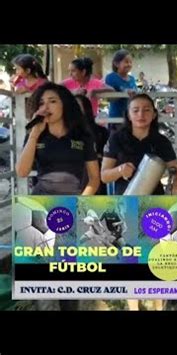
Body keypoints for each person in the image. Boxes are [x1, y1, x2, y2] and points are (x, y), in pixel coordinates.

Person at [15, 82, 100, 311]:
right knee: (41, 276)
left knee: (68, 273)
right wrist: (33, 134)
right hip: (39, 206)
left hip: (72, 206)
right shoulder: (35, 134)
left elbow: (94, 179)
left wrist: (82, 204)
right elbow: (22, 171)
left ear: (65, 105)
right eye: (41, 103)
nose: (46, 106)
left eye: (52, 101)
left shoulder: (82, 135)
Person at [101, 93, 177, 195]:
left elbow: (176, 170)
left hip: (154, 202)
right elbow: (104, 176)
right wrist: (120, 170)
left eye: (146, 110)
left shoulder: (161, 141)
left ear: (154, 115)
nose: (141, 115)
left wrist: (176, 184)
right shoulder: (116, 138)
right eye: (135, 110)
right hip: (124, 201)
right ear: (128, 115)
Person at [75, 94, 110, 195]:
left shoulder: (101, 132)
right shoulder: (64, 132)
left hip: (94, 179)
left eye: (77, 106)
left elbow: (105, 156)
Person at [104, 49, 137, 119]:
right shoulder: (111, 77)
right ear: (116, 64)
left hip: (131, 118)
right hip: (116, 118)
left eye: (131, 62)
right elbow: (109, 98)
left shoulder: (132, 79)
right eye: (126, 62)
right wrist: (124, 93)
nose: (129, 64)